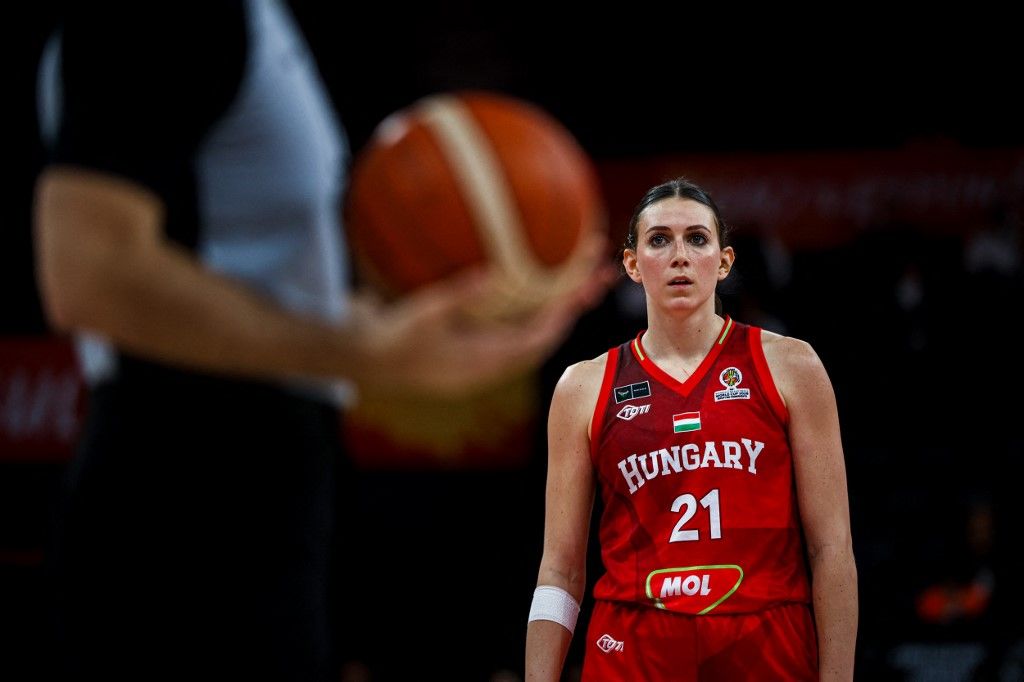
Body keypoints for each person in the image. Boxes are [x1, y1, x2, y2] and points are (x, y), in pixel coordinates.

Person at [33, 3, 611, 679]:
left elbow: (279, 279)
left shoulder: (262, 24)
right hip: (184, 481)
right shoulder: (166, 18)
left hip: (252, 474)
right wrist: (359, 353)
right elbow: (88, 273)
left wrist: (500, 295)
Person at [525, 178, 857, 680]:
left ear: (723, 262)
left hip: (764, 640)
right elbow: (560, 570)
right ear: (632, 264)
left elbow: (831, 549)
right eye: (659, 239)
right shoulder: (583, 387)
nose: (679, 254)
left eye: (697, 238)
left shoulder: (792, 365)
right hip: (633, 644)